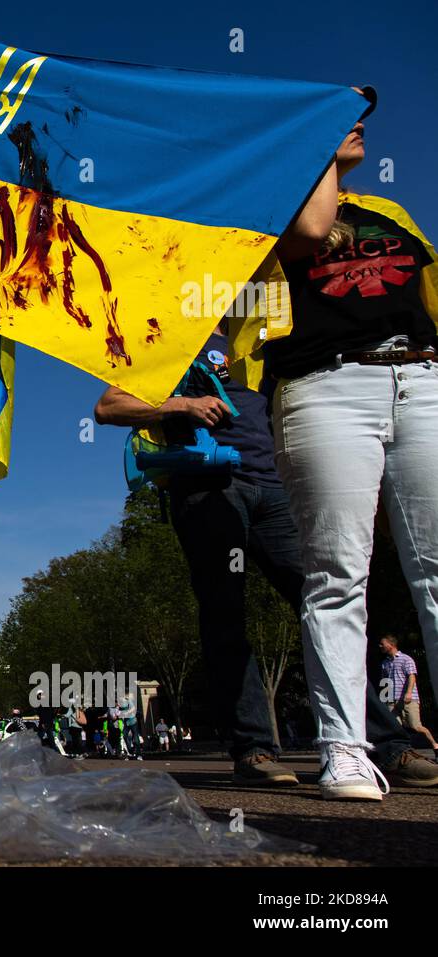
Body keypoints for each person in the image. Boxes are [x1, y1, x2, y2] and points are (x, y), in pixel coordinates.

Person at [96, 278, 437, 790]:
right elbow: (107, 407)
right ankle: (254, 750)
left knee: (330, 602)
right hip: (207, 487)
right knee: (225, 616)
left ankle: (385, 746)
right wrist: (178, 407)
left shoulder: (268, 338)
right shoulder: (164, 341)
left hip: (277, 487)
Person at [257, 87, 438, 800]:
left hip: (419, 377)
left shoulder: (392, 215)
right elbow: (307, 231)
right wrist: (318, 152)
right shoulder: (272, 207)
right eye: (340, 120)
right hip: (326, 386)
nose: (359, 126)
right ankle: (344, 749)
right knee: (337, 573)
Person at [379, 635, 438, 752]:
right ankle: (403, 751)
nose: (380, 646)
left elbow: (411, 676)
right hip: (391, 699)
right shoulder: (385, 663)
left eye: (382, 643)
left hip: (408, 699)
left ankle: (435, 745)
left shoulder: (406, 659)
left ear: (391, 645)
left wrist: (409, 692)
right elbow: (385, 681)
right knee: (394, 726)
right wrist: (383, 697)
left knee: (416, 726)